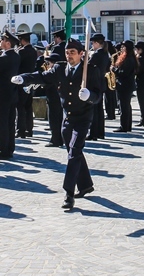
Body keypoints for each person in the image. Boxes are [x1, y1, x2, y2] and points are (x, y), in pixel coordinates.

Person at [12, 38, 102, 209]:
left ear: (81, 54)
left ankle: (69, 193)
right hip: (67, 118)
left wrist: (89, 95)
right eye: (67, 53)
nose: (69, 56)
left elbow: (98, 95)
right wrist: (24, 78)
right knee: (73, 152)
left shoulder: (90, 71)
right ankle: (86, 185)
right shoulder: (60, 68)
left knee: (74, 152)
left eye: (73, 53)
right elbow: (42, 77)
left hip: (83, 118)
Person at [0, 32, 21, 159]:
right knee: (10, 122)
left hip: (3, 95)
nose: (1, 41)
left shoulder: (5, 57)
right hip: (12, 93)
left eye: (2, 40)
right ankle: (9, 148)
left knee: (2, 122)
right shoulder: (16, 56)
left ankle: (3, 149)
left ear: (8, 43)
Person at [110, 40, 138, 133]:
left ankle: (124, 126)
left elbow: (123, 73)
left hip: (124, 85)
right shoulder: (130, 58)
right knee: (126, 106)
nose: (121, 49)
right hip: (126, 84)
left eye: (123, 47)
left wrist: (113, 69)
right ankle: (127, 126)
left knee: (123, 106)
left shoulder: (128, 59)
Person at [87, 33, 109, 141]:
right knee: (100, 109)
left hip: (94, 83)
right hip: (101, 82)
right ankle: (100, 132)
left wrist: (86, 57)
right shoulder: (105, 54)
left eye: (93, 43)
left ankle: (93, 133)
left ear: (96, 43)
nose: (92, 44)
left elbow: (88, 67)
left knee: (94, 109)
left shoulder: (96, 54)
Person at [16, 31, 36, 138]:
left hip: (22, 81)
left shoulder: (22, 52)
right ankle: (29, 129)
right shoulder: (33, 51)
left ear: (22, 40)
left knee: (20, 106)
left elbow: (17, 65)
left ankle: (21, 130)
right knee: (28, 106)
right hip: (31, 80)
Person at [42, 52, 65, 147]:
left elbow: (47, 84)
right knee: (58, 119)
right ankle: (59, 139)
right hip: (57, 99)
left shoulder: (53, 72)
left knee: (53, 120)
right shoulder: (60, 71)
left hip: (53, 99)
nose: (48, 65)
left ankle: (55, 140)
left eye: (49, 63)